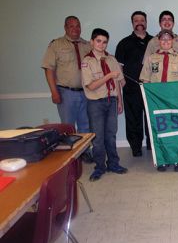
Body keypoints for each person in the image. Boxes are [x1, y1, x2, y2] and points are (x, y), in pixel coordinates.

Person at [42, 16, 93, 162]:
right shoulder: (56, 45)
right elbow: (49, 69)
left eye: (78, 26)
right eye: (71, 26)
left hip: (85, 92)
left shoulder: (87, 45)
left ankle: (85, 152)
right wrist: (54, 91)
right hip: (66, 92)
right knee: (68, 127)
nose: (75, 29)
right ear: (65, 28)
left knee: (85, 124)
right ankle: (71, 156)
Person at [139, 29, 178, 172]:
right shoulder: (151, 58)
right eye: (163, 39)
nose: (166, 42)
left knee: (176, 129)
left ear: (172, 40)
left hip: (174, 100)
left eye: (168, 39)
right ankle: (162, 159)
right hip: (157, 101)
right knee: (160, 131)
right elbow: (145, 79)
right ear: (158, 41)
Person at [81, 28, 127, 182]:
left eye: (105, 42)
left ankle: (113, 163)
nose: (102, 44)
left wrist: (119, 101)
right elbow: (91, 86)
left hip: (111, 100)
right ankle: (99, 167)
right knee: (98, 138)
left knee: (111, 135)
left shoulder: (111, 60)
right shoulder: (87, 61)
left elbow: (118, 83)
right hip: (96, 103)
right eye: (98, 41)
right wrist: (108, 76)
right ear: (92, 42)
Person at [115, 11, 153, 157]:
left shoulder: (154, 41)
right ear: (132, 23)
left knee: (150, 117)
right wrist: (122, 81)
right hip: (131, 87)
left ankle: (151, 146)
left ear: (146, 22)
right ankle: (136, 147)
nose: (139, 22)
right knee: (133, 119)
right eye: (136, 20)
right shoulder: (124, 43)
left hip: (150, 87)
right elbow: (118, 65)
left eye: (142, 20)